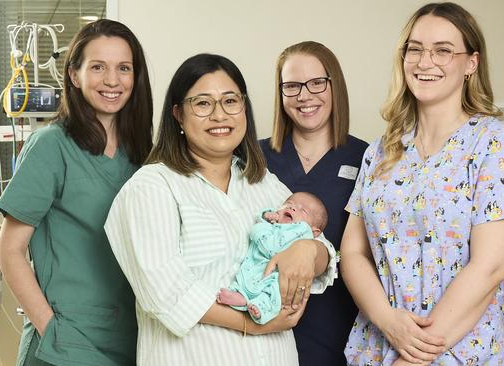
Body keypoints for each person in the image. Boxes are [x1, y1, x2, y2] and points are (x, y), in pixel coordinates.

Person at [104, 53, 337, 366]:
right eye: (202, 103)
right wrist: (251, 325)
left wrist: (309, 249)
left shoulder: (262, 182)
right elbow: (164, 294)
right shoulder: (152, 187)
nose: (219, 115)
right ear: (178, 114)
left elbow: (323, 250)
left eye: (230, 101)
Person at [340, 3, 504, 365]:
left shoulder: (496, 145)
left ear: (471, 63)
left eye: (443, 50)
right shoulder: (382, 151)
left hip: (460, 352)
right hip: (377, 346)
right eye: (415, 49)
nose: (425, 62)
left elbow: (491, 266)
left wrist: (412, 359)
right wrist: (388, 321)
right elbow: (352, 253)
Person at [0, 19, 153, 366]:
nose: (112, 80)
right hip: (65, 347)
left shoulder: (143, 154)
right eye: (98, 67)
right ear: (73, 74)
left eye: (123, 68)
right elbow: (10, 250)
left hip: (133, 340)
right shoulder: (51, 146)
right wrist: (51, 330)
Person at [260, 40, 368, 366]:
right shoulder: (254, 158)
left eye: (317, 83)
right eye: (292, 86)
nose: (305, 95)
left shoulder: (368, 158)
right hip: (261, 329)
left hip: (338, 331)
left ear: (335, 86)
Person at [217, 192, 328, 324]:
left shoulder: (301, 232)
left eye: (303, 210)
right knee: (244, 277)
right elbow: (265, 223)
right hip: (257, 267)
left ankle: (261, 308)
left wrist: (259, 229)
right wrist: (266, 217)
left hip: (277, 275)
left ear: (314, 232)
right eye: (289, 204)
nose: (292, 208)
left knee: (275, 291)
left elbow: (271, 247)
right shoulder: (275, 224)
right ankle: (242, 298)